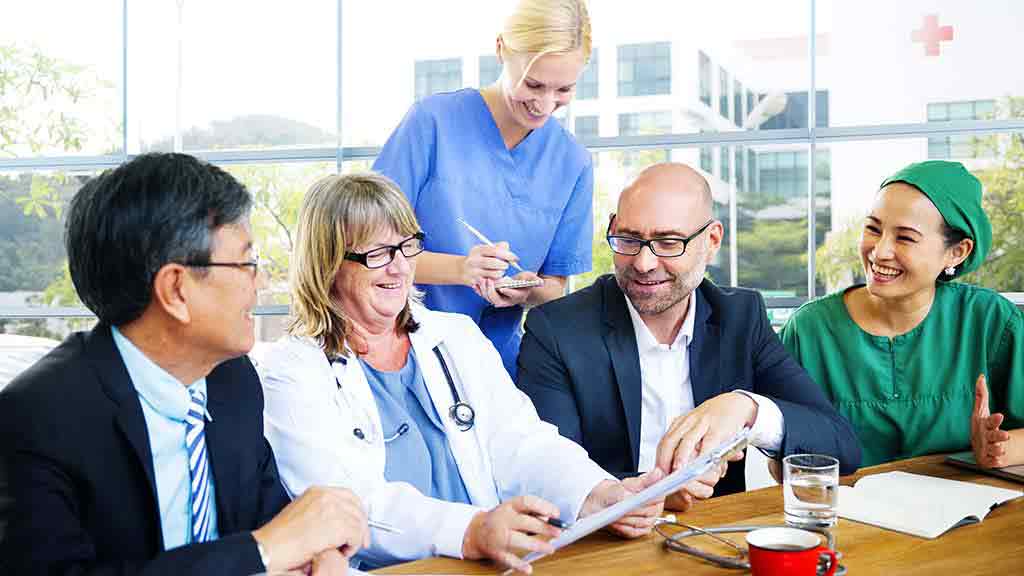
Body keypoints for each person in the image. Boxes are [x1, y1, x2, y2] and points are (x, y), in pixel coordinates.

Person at [257, 173, 664, 574]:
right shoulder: (292, 371)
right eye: (377, 253)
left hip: (487, 562)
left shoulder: (455, 337)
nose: (400, 268)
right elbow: (346, 504)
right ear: (327, 263)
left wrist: (598, 493)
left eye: (407, 247)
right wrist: (470, 531)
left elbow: (522, 443)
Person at [0, 153, 368, 576]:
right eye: (248, 262)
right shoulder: (36, 417)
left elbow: (274, 520)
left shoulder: (234, 381)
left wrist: (316, 553)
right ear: (175, 289)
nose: (261, 281)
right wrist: (264, 550)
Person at [516, 163, 861, 510]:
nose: (644, 263)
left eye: (668, 243)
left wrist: (746, 409)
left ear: (711, 241)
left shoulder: (741, 317)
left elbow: (840, 447)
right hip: (602, 546)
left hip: (715, 538)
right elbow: (546, 476)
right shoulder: (557, 329)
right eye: (629, 239)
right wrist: (657, 495)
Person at [372, 0, 595, 379]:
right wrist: (462, 269)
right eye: (533, 84)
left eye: (564, 90)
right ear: (501, 49)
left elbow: (555, 288)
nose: (544, 104)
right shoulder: (432, 124)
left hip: (497, 367)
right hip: (404, 351)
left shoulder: (572, 162)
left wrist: (526, 289)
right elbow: (365, 251)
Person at [780, 160, 1023, 468]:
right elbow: (783, 463)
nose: (879, 252)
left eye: (905, 237)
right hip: (844, 511)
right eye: (873, 229)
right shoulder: (808, 330)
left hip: (968, 511)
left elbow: (1011, 441)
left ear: (957, 251)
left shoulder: (990, 321)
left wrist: (998, 449)